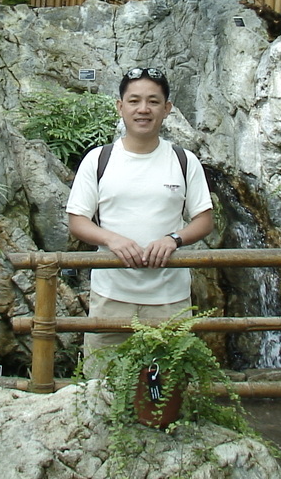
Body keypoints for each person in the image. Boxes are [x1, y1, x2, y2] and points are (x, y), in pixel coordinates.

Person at [66, 67, 214, 367]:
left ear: (167, 109)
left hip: (169, 298)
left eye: (153, 101)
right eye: (134, 101)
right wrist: (111, 239)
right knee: (102, 381)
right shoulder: (99, 159)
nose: (143, 109)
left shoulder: (184, 160)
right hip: (110, 296)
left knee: (169, 383)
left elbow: (204, 219)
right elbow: (77, 220)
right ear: (120, 107)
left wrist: (174, 239)